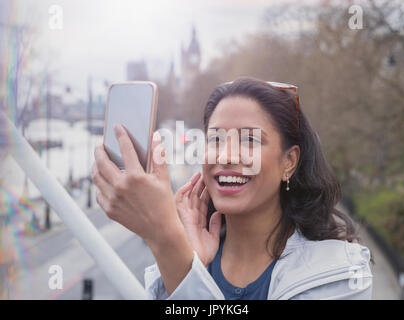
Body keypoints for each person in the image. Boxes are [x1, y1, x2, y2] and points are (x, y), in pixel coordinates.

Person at [92, 77, 372, 300]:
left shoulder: (339, 275)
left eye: (249, 139)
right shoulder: (184, 260)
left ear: (289, 162)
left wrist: (166, 240)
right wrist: (190, 266)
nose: (226, 156)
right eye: (215, 139)